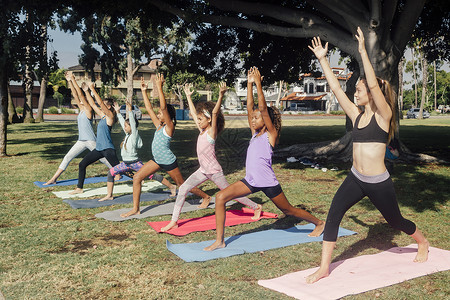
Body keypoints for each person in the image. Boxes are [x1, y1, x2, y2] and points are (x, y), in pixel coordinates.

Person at [305, 28, 429, 284]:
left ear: (371, 94)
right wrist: (322, 60)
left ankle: (422, 241)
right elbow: (336, 90)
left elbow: (373, 83)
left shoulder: (383, 116)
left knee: (395, 221)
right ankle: (324, 267)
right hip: (355, 178)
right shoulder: (356, 115)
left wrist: (362, 52)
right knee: (334, 214)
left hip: (378, 182)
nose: (355, 93)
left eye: (359, 90)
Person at [204, 67, 325, 251]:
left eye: (257, 118)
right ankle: (220, 240)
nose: (253, 119)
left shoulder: (271, 134)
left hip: (268, 182)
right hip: (251, 181)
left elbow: (261, 108)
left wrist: (259, 83)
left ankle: (319, 223)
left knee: (288, 210)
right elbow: (250, 107)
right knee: (220, 197)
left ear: (266, 119)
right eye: (252, 118)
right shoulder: (254, 134)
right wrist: (250, 84)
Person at [160, 82, 262, 232]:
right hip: (203, 170)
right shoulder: (201, 130)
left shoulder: (211, 132)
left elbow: (214, 113)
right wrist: (188, 96)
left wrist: (220, 95)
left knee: (231, 194)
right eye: (199, 120)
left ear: (208, 120)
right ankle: (174, 221)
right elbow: (194, 114)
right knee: (183, 189)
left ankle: (256, 206)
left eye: (201, 119)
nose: (198, 121)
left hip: (214, 171)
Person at [120, 74, 211, 218]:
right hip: (157, 159)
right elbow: (149, 108)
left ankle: (206, 197)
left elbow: (162, 107)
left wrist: (160, 87)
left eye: (161, 113)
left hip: (168, 160)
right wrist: (144, 91)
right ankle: (136, 209)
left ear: (167, 115)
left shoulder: (169, 127)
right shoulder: (158, 126)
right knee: (137, 177)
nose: (158, 114)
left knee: (182, 185)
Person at [98, 101, 176, 201]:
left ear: (132, 127)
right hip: (125, 164)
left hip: (135, 163)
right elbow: (123, 124)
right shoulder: (127, 135)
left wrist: (130, 111)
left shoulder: (134, 135)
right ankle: (109, 195)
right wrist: (117, 112)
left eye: (127, 126)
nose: (124, 127)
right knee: (111, 172)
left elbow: (133, 124)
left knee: (152, 175)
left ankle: (171, 186)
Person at [43, 71, 112, 185]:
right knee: (67, 157)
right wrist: (69, 81)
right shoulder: (81, 110)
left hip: (90, 141)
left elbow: (80, 94)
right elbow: (75, 94)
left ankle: (117, 172)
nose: (79, 100)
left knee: (102, 158)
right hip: (81, 141)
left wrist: (74, 80)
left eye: (82, 100)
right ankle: (54, 178)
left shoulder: (89, 111)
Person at [70, 81, 120, 194]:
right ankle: (79, 188)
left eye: (104, 105)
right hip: (99, 149)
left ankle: (138, 177)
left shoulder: (110, 117)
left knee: (121, 169)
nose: (101, 107)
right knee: (82, 164)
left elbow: (100, 103)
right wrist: (87, 91)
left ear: (108, 107)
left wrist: (93, 89)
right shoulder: (103, 117)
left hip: (108, 150)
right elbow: (93, 104)